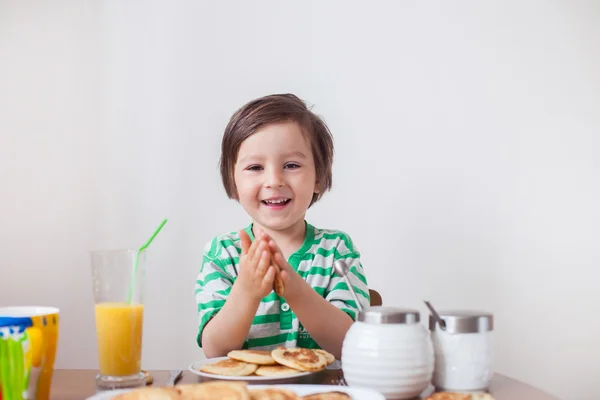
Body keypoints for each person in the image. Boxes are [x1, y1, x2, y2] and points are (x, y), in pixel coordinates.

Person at [195, 93, 370, 360]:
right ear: (233, 183)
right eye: (255, 167)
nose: (274, 180)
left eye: (291, 165)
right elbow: (215, 350)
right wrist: (247, 291)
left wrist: (294, 289)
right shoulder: (223, 254)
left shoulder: (337, 251)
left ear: (319, 178)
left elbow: (351, 344)